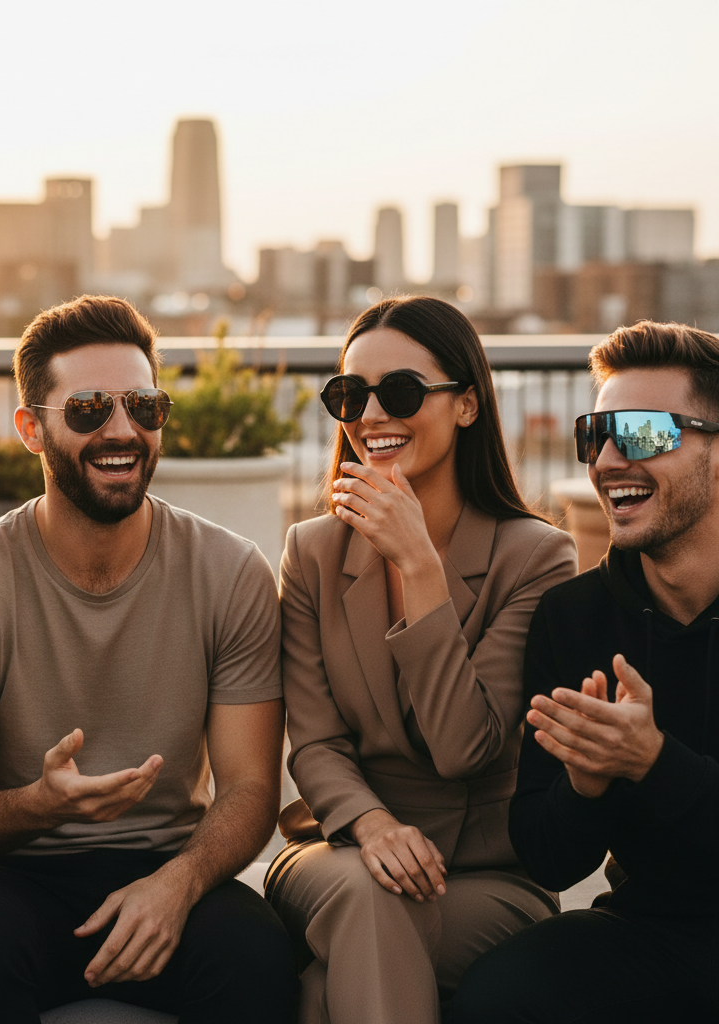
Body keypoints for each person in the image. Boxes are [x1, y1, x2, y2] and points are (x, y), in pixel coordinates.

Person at [0, 295, 299, 1024]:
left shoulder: (230, 571)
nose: (123, 431)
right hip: (10, 875)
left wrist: (179, 885)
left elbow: (248, 789)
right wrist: (38, 804)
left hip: (173, 867)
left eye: (144, 407)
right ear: (31, 428)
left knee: (259, 959)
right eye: (88, 409)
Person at [263, 295, 578, 1023]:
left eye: (400, 391)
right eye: (349, 394)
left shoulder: (537, 559)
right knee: (369, 899)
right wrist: (373, 827)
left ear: (466, 405)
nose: (371, 414)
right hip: (338, 851)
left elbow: (466, 746)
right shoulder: (312, 554)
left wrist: (421, 570)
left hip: (484, 874)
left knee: (322, 990)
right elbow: (314, 742)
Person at [451, 321, 719, 1023]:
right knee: (495, 1001)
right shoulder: (575, 616)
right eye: (594, 435)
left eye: (639, 435)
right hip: (648, 928)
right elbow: (547, 858)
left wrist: (655, 761)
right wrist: (586, 783)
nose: (604, 461)